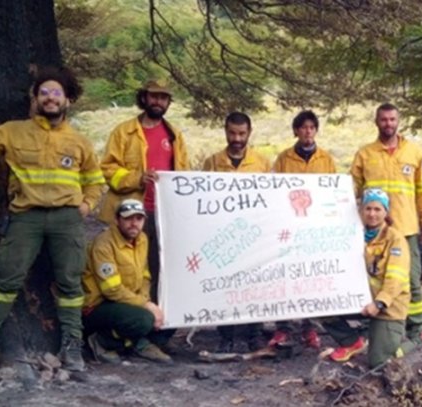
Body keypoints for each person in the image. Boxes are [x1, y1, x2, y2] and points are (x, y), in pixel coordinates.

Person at [0, 67, 105, 376]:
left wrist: (85, 206)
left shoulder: (80, 141)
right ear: (34, 99)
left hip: (67, 219)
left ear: (67, 99)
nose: (50, 97)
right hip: (26, 217)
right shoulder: (11, 132)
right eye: (44, 92)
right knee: (6, 278)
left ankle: (72, 344)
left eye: (56, 93)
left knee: (71, 282)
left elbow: (95, 181)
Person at [350, 103, 422, 343]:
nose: (388, 123)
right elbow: (349, 191)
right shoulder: (365, 154)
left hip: (406, 228)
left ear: (398, 121)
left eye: (392, 119)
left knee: (411, 281)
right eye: (383, 119)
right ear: (376, 122)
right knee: (374, 278)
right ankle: (379, 325)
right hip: (374, 232)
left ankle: (416, 329)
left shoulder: (415, 153)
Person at [99, 80, 190, 302]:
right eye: (154, 96)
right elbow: (108, 169)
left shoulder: (174, 135)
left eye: (163, 97)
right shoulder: (124, 132)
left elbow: (184, 173)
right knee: (129, 268)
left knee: (159, 269)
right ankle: (128, 320)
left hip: (163, 215)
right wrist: (137, 178)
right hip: (130, 213)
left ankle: (156, 318)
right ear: (144, 98)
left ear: (169, 102)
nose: (158, 101)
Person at [202, 112, 270, 352]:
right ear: (225, 132)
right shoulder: (212, 163)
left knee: (255, 283)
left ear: (249, 133)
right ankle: (226, 336)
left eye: (242, 133)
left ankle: (254, 333)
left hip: (253, 234)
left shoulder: (262, 163)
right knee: (225, 285)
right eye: (232, 133)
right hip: (224, 235)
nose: (237, 138)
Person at [269, 110, 337, 349]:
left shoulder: (326, 159)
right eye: (303, 127)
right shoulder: (284, 159)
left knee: (310, 277)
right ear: (296, 131)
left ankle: (309, 326)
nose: (307, 131)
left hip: (314, 230)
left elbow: (332, 193)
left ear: (316, 130)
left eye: (312, 127)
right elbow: (274, 191)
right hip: (288, 228)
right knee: (286, 274)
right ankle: (283, 327)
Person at [323, 189, 414, 367]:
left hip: (388, 308)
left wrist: (379, 303)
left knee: (378, 364)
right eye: (368, 208)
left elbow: (395, 279)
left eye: (377, 209)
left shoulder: (395, 239)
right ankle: (351, 342)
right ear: (361, 210)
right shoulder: (351, 235)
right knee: (320, 307)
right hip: (358, 301)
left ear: (386, 212)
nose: (372, 214)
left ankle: (411, 343)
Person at [82, 199, 173, 364]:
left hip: (128, 302)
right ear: (117, 221)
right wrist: (146, 305)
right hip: (98, 306)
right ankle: (102, 341)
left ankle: (132, 343)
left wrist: (146, 300)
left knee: (170, 315)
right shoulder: (104, 244)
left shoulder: (142, 239)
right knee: (144, 320)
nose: (134, 224)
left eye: (139, 219)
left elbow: (145, 275)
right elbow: (111, 290)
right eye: (128, 218)